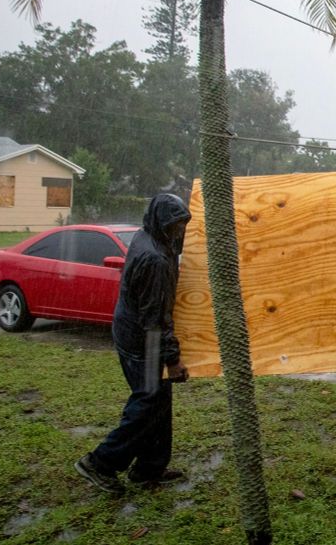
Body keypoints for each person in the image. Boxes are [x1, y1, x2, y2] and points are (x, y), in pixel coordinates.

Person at [75, 193, 192, 495]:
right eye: (176, 225)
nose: (180, 231)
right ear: (162, 223)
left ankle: (148, 469)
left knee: (158, 400)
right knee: (147, 402)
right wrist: (172, 359)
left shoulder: (148, 235)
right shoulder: (154, 258)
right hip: (144, 339)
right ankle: (100, 463)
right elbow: (155, 319)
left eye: (183, 224)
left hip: (133, 331)